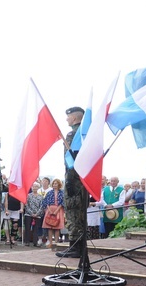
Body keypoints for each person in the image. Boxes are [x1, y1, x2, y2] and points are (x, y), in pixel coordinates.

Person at [57, 106, 87, 258]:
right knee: (80, 215)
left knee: (73, 215)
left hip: (74, 182)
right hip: (83, 183)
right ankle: (80, 247)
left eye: (68, 117)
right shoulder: (86, 134)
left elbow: (70, 161)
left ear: (74, 118)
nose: (67, 119)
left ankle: (75, 248)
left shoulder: (73, 135)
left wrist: (68, 182)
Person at [41, 178, 65, 250]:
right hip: (50, 209)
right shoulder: (49, 192)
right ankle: (51, 243)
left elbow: (62, 203)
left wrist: (56, 211)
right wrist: (49, 210)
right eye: (54, 183)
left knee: (57, 227)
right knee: (49, 227)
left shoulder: (62, 193)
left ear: (59, 185)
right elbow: (46, 202)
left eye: (56, 183)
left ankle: (56, 243)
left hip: (59, 209)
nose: (55, 185)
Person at [24, 183, 44, 247]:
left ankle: (35, 242)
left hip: (37, 215)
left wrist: (37, 214)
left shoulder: (41, 197)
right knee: (27, 228)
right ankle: (27, 241)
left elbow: (42, 206)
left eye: (36, 187)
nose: (34, 188)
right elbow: (26, 205)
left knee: (36, 229)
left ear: (38, 188)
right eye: (33, 186)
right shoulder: (28, 196)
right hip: (29, 214)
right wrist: (31, 213)